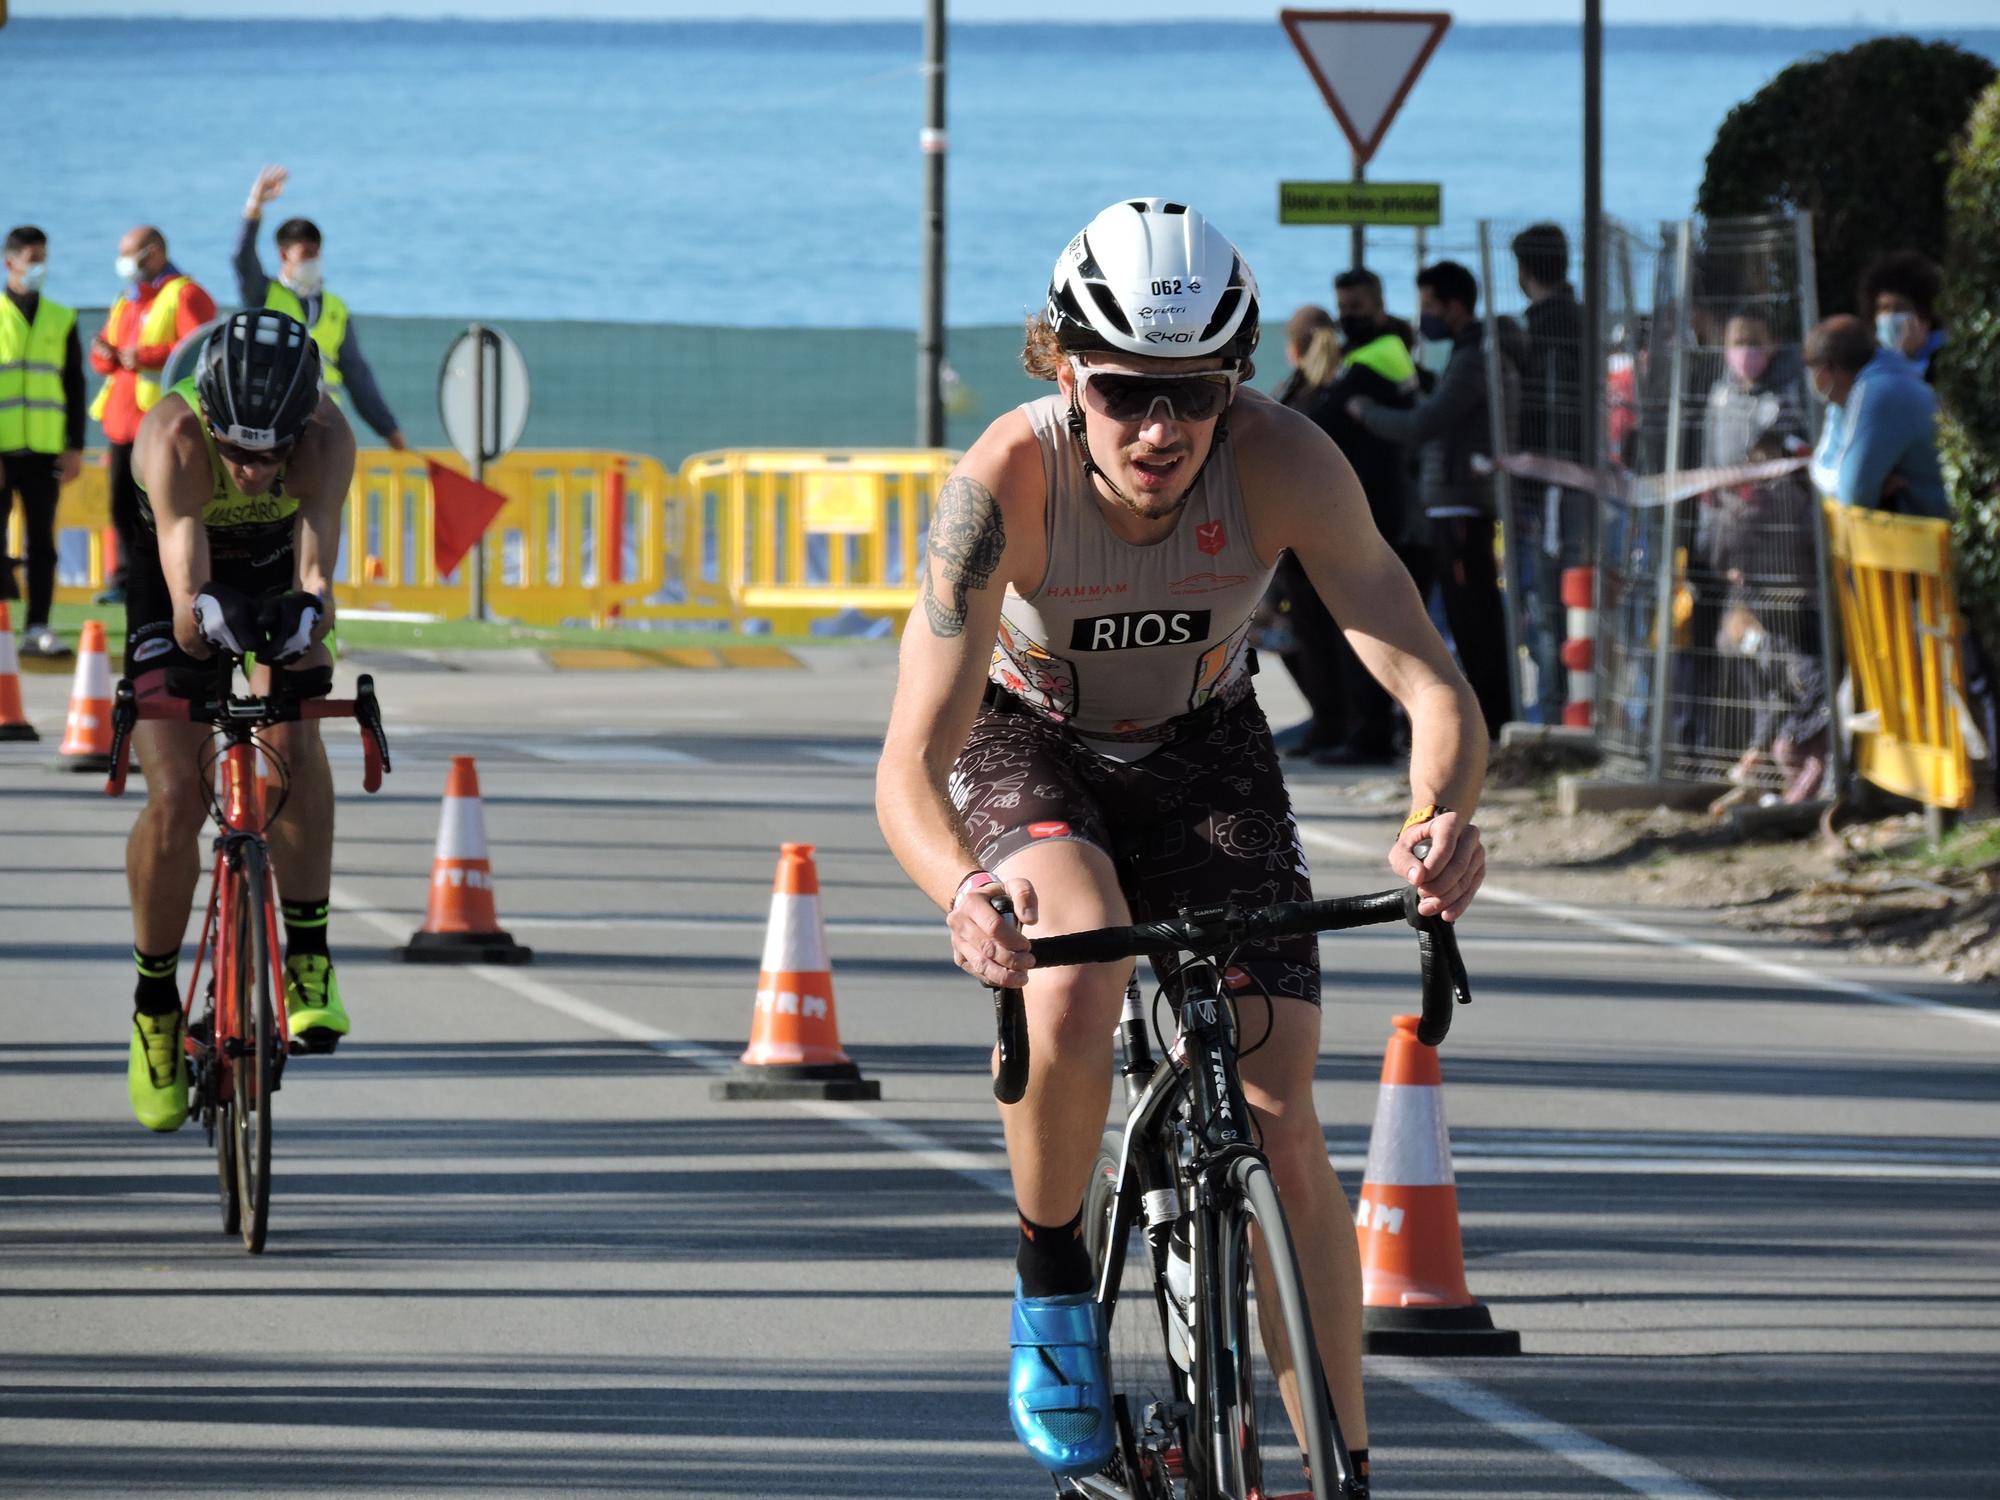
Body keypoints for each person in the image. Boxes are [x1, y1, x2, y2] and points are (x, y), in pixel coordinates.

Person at [875, 199, 1489, 1496]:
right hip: (1027, 741)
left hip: (1206, 742)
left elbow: (1430, 684)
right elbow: (909, 762)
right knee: (1076, 972)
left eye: (1196, 395)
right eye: (1123, 393)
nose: (1160, 430)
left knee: (1279, 1101)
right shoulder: (1001, 484)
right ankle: (1052, 1273)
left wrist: (1441, 814)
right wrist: (962, 890)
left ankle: (1339, 1460)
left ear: (1236, 384)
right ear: (1061, 367)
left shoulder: (1285, 460)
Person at [122, 309, 355, 1134]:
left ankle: (310, 958)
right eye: (239, 453)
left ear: (301, 431)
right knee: (179, 796)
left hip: (269, 565)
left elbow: (319, 565)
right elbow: (189, 614)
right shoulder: (176, 438)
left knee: (295, 733)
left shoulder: (327, 437)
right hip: (177, 574)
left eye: (272, 453)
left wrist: (310, 617)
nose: (254, 472)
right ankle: (155, 1009)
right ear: (212, 428)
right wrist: (210, 619)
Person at [1348, 260, 1519, 737]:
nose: (1424, 316)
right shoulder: (1469, 354)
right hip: (1452, 502)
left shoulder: (1473, 359)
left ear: (1452, 305)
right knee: (1466, 618)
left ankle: (1491, 723)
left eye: (1428, 306)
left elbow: (1426, 423)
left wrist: (1368, 413)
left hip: (1460, 504)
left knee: (1474, 619)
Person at [87, 226, 217, 605]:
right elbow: (101, 356)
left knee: (163, 507)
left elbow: (200, 350)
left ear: (154, 252)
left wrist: (145, 357)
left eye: (130, 254)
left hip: (161, 426)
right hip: (122, 424)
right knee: (121, 507)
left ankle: (167, 582)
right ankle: (124, 580)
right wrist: (107, 355)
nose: (124, 263)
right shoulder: (126, 299)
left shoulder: (185, 294)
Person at [237, 165, 409, 451]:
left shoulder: (336, 308)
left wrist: (388, 429)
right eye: (305, 254)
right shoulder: (264, 295)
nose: (313, 261)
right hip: (272, 419)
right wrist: (255, 206)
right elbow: (242, 259)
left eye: (317, 253)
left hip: (325, 422)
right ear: (283, 254)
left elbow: (357, 376)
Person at [1263, 304, 1348, 756]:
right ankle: (1333, 720)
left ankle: (1330, 721)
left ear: (1293, 348)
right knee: (1325, 632)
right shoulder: (1338, 390)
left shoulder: (1296, 396)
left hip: (1297, 534)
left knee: (1304, 630)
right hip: (1333, 529)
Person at [0, 226, 86, 658]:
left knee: (42, 545)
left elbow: (74, 384)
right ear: (9, 261)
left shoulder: (61, 316)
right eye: (31, 259)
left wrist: (75, 447)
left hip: (44, 451)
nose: (38, 267)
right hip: (2, 451)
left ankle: (38, 626)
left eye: (42, 259)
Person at [1804, 314, 1948, 519]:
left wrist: (1860, 483)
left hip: (1944, 537)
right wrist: (1871, 482)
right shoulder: (1846, 397)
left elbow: (1853, 495)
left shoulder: (1878, 391)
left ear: (1827, 369)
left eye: (1810, 366)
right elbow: (1819, 466)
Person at [1859, 250, 1946, 383]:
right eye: (1884, 308)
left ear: (1924, 315)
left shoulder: (1945, 355)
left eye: (1900, 308)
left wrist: (1906, 359)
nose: (1890, 316)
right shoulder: (1870, 361)